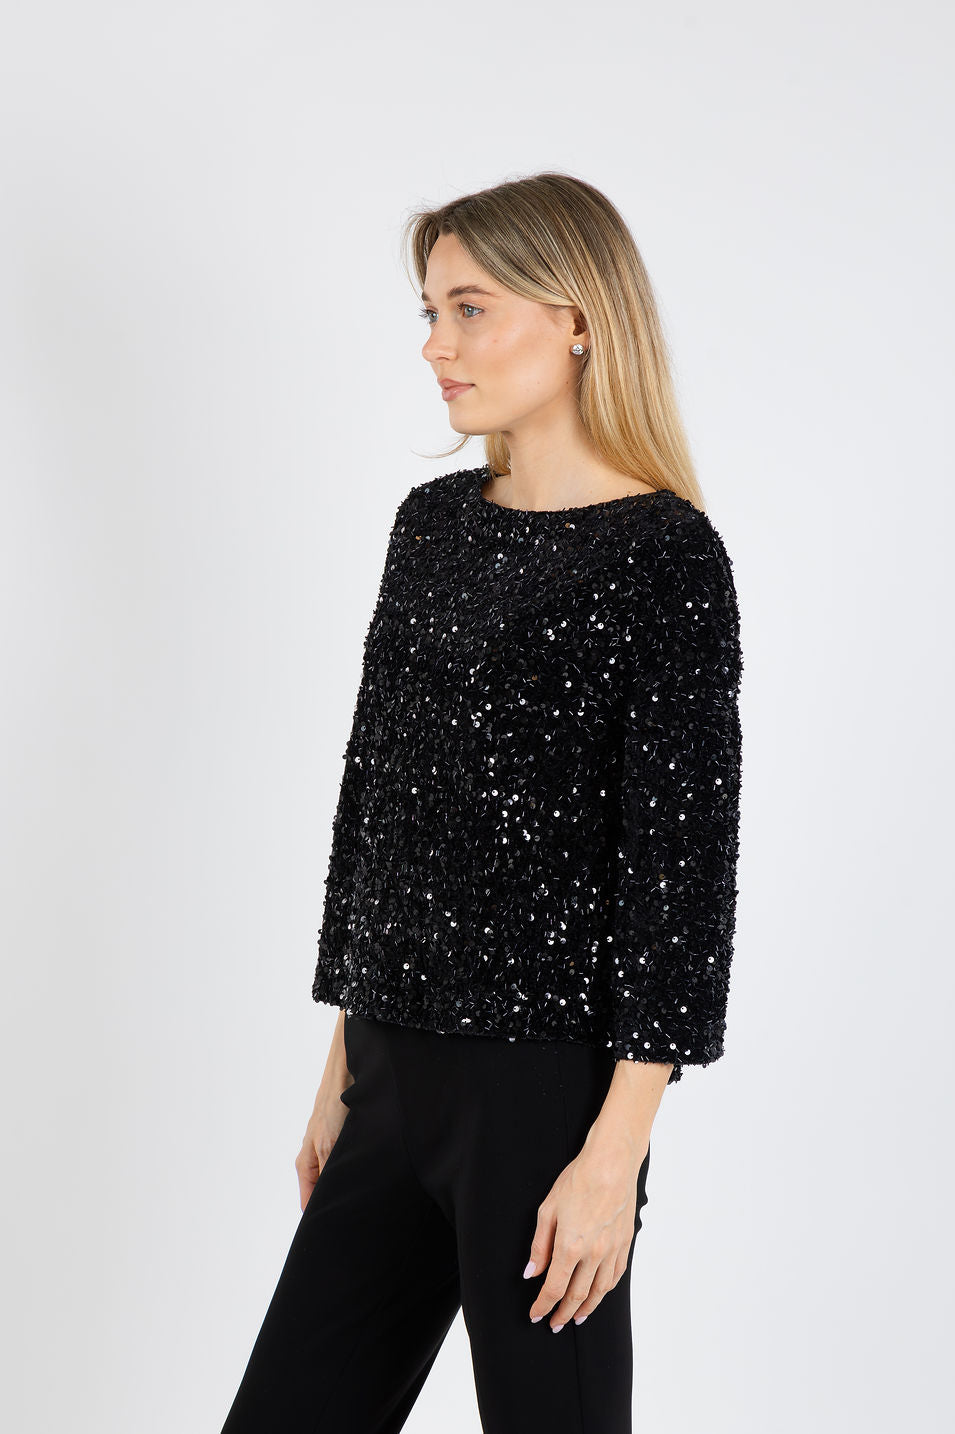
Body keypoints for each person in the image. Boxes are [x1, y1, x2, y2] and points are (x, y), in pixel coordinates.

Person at [220, 171, 744, 1434]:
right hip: (388, 1069)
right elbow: (375, 808)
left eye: (468, 308)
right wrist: (341, 1070)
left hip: (544, 1100)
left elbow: (678, 875)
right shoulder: (432, 527)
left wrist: (613, 1156)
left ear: (579, 320)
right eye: (429, 312)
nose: (434, 346)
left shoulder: (665, 555)